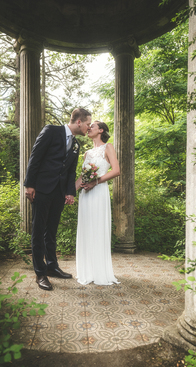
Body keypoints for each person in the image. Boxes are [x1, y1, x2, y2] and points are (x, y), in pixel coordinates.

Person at [24, 108, 92, 291]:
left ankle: (52, 266)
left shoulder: (76, 144)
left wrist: (70, 192)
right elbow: (35, 157)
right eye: (87, 124)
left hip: (59, 193)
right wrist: (29, 185)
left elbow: (70, 171)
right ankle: (40, 273)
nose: (89, 127)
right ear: (79, 122)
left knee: (51, 231)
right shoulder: (51, 131)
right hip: (42, 189)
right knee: (38, 230)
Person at [75, 121, 120, 285]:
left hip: (99, 192)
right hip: (85, 196)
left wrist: (96, 182)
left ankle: (100, 271)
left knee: (98, 228)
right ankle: (88, 271)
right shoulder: (86, 153)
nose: (89, 128)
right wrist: (69, 193)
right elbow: (82, 177)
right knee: (87, 229)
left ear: (101, 130)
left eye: (92, 126)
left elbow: (116, 170)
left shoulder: (108, 147)